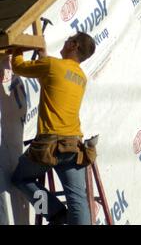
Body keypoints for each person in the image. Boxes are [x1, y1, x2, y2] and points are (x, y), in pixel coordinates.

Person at [11, 32, 96, 225]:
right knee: (78, 200)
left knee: (21, 179)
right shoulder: (81, 77)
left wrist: (18, 47)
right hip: (74, 146)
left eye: (68, 39)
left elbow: (18, 66)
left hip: (49, 145)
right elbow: (50, 82)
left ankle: (55, 214)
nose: (65, 40)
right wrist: (43, 56)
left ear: (74, 45)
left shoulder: (53, 65)